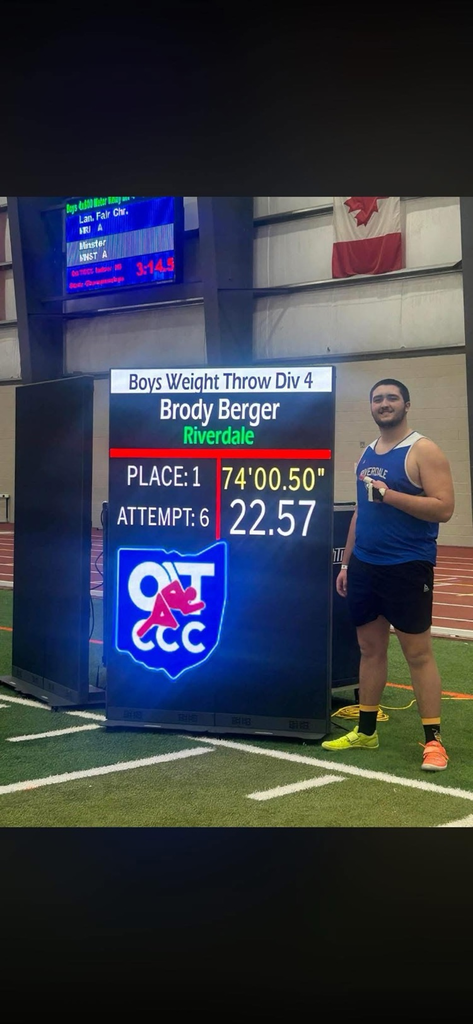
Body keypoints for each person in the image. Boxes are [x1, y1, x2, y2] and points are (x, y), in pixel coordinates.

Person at [322, 378, 455, 771]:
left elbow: (444, 508)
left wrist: (390, 495)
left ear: (406, 405)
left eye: (391, 398)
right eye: (377, 399)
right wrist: (347, 563)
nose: (384, 404)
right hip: (366, 565)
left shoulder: (423, 450)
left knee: (418, 654)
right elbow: (362, 513)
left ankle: (433, 742)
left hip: (407, 566)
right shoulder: (367, 452)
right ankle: (366, 731)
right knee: (369, 649)